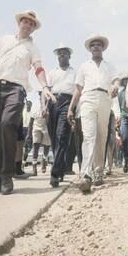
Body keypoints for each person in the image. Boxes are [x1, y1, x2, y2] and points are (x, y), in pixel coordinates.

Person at [0, 11, 55, 195]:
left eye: (32, 23)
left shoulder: (33, 48)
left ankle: (7, 175)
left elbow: (38, 68)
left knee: (7, 125)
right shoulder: (5, 39)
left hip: (16, 90)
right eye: (25, 21)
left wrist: (45, 87)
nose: (28, 24)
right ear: (19, 23)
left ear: (33, 28)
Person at [68, 34, 118, 193]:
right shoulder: (84, 66)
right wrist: (71, 108)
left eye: (99, 44)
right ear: (90, 49)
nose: (96, 46)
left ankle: (98, 172)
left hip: (105, 98)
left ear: (102, 48)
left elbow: (116, 80)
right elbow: (78, 89)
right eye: (93, 45)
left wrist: (116, 86)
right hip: (87, 98)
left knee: (101, 137)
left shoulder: (109, 66)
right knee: (89, 136)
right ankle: (86, 174)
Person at [46, 43, 76, 188]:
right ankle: (61, 167)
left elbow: (77, 92)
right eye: (59, 53)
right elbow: (46, 91)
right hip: (52, 103)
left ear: (69, 55)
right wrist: (44, 107)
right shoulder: (52, 73)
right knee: (54, 139)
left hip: (67, 103)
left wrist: (74, 109)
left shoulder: (74, 72)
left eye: (64, 52)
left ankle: (55, 174)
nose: (62, 55)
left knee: (61, 136)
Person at [116, 72, 128, 174]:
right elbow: (119, 107)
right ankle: (126, 157)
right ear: (122, 82)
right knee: (125, 139)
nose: (126, 81)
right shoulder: (120, 93)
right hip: (124, 118)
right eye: (124, 80)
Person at [30, 92, 52, 176]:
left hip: (46, 125)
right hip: (36, 124)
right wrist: (29, 133)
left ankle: (44, 161)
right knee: (35, 145)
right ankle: (34, 167)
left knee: (46, 146)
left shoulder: (49, 103)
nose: (41, 95)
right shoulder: (35, 104)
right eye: (40, 94)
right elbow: (31, 120)